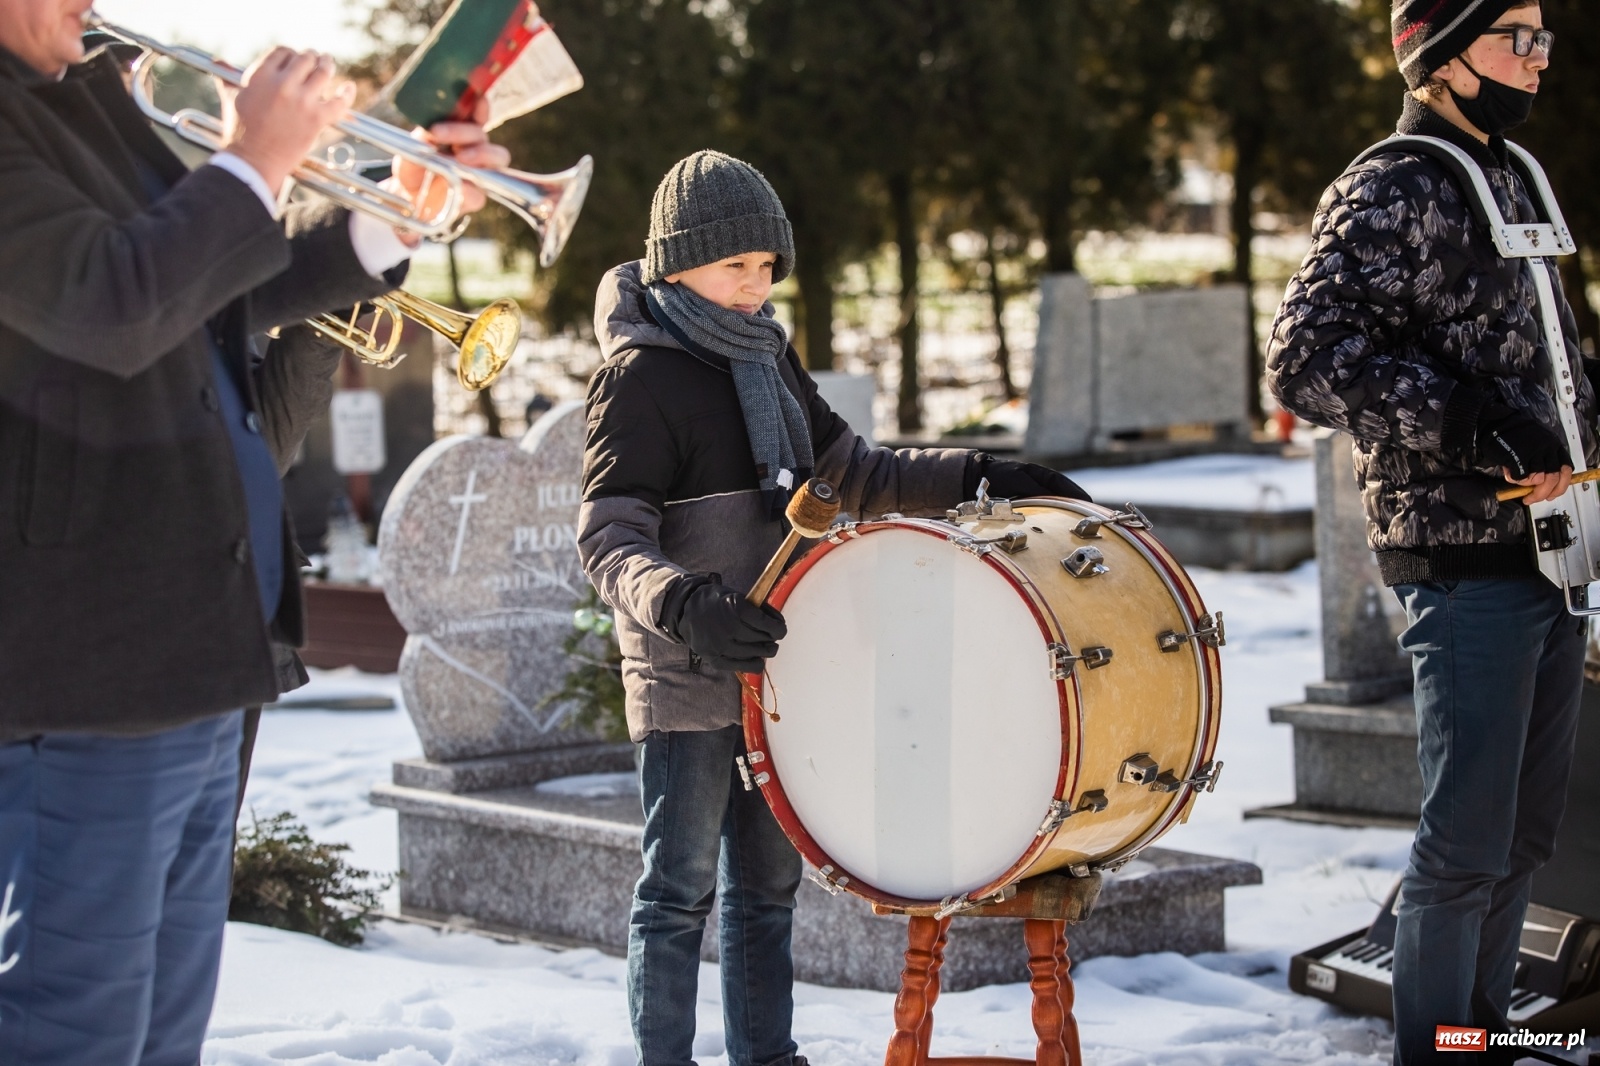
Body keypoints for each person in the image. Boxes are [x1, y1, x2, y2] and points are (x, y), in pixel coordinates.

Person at [0, 0, 508, 1059]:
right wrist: (253, 158)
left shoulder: (82, 97)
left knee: (161, 1032)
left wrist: (392, 213)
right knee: (73, 1029)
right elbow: (114, 300)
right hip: (81, 676)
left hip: (193, 654)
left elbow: (220, 288)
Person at [577, 149, 1087, 1066]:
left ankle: (767, 1058)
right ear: (677, 264)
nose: (756, 285)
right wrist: (686, 605)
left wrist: (982, 472)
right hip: (688, 674)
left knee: (767, 890)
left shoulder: (766, 357)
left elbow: (858, 473)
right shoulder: (638, 378)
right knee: (677, 893)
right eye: (735, 265)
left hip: (781, 676)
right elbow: (609, 540)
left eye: (768, 265)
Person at [1266, 4, 1585, 1062]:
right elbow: (1306, 357)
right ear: (1437, 56)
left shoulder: (1514, 175)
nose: (1536, 59)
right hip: (1462, 559)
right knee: (1462, 850)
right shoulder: (1391, 186)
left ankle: (1475, 1042)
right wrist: (1474, 424)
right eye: (1512, 36)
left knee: (1522, 838)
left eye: (1542, 37)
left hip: (1553, 552)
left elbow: (1537, 356)